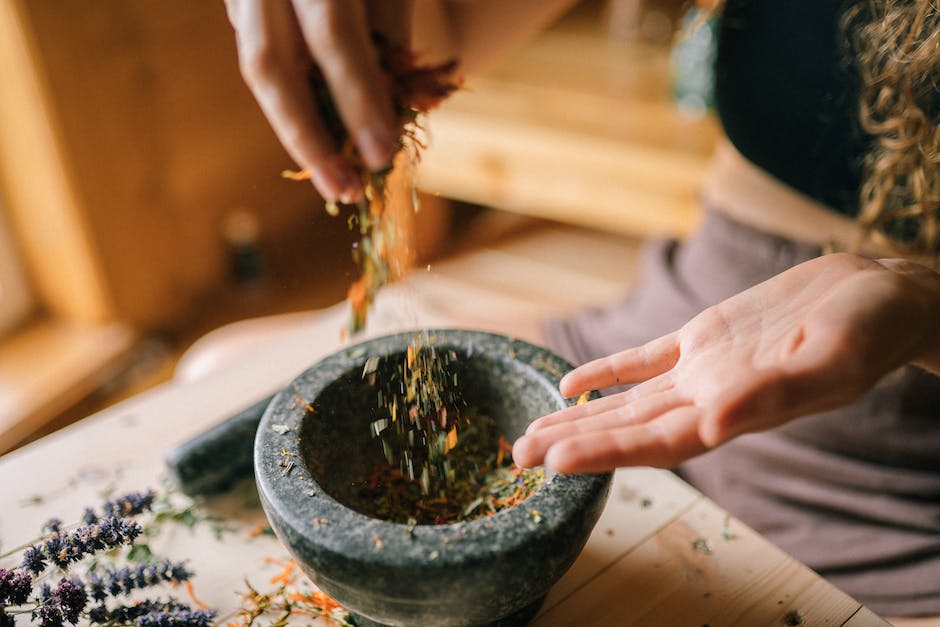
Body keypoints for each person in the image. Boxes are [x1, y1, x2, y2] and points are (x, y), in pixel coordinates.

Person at [223, 0, 940, 619]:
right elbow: (439, 30)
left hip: (897, 460)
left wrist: (918, 302)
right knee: (218, 361)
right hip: (681, 334)